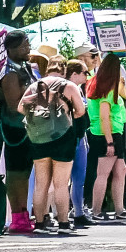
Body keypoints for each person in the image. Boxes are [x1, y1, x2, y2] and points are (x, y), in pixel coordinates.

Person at [20, 56, 85, 233]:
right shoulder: (68, 86)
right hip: (63, 138)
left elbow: (20, 108)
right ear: (63, 70)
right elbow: (80, 111)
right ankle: (63, 223)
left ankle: (39, 223)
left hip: (39, 137)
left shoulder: (35, 86)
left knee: (41, 184)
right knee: (61, 184)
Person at [0, 31, 37, 234]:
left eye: (28, 44)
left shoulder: (24, 68)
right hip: (15, 130)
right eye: (23, 45)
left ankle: (24, 214)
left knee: (25, 172)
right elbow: (14, 105)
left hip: (27, 128)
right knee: (16, 173)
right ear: (11, 49)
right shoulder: (10, 73)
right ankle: (17, 217)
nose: (28, 48)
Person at [86, 53, 126, 222]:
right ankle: (96, 210)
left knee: (121, 170)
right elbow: (105, 116)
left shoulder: (98, 84)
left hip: (112, 133)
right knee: (103, 173)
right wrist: (109, 142)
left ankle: (120, 209)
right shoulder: (107, 90)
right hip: (108, 134)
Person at [64, 59, 94, 227]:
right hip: (71, 137)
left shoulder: (78, 90)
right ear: (74, 74)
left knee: (78, 177)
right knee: (70, 177)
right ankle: (73, 211)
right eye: (84, 72)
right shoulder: (67, 89)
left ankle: (78, 211)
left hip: (80, 136)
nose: (86, 76)